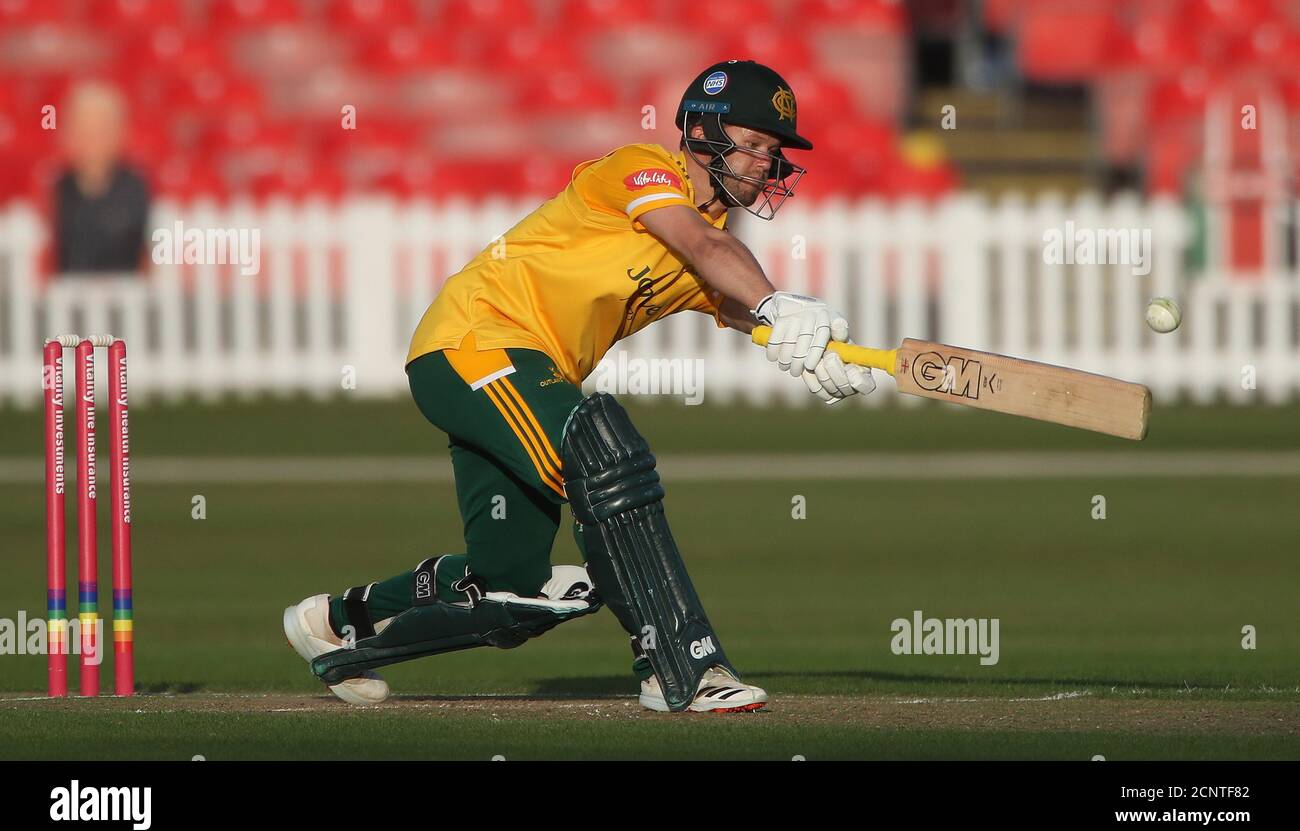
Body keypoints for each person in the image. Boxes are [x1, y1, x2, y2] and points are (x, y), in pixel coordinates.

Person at [283, 60, 874, 713]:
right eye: (755, 144)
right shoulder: (640, 170)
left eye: (775, 152)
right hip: (480, 344)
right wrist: (774, 303)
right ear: (702, 132)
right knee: (603, 455)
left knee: (512, 590)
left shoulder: (711, 242)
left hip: (516, 374)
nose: (766, 163)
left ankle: (339, 624)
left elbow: (735, 303)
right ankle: (676, 664)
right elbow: (708, 255)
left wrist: (821, 347)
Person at [53, 81, 150, 274]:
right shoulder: (51, 191)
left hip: (130, 300)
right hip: (63, 300)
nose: (92, 139)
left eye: (102, 128)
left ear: (120, 132)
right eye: (83, 128)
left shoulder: (142, 191)